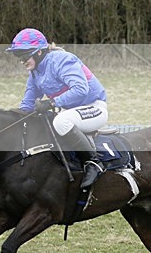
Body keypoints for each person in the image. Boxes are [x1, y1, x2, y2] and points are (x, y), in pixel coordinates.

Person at [7, 28, 108, 192]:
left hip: (94, 108)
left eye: (24, 56)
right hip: (70, 112)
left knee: (61, 121)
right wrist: (13, 119)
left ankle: (94, 163)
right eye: (19, 58)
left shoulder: (62, 60)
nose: (22, 61)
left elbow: (80, 89)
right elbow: (28, 104)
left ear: (39, 52)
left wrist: (51, 103)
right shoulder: (35, 73)